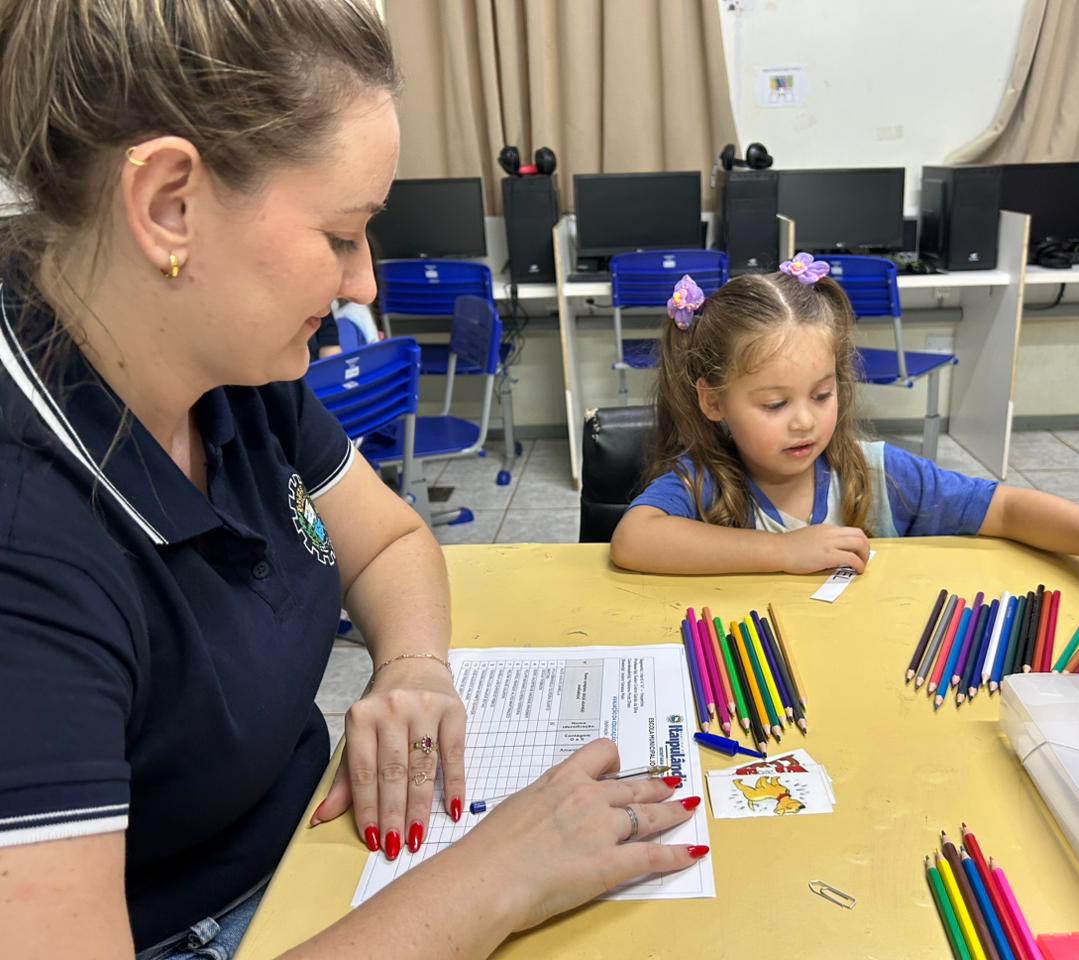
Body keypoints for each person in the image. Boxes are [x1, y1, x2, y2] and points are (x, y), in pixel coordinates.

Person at [0, 3, 703, 958]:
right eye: (340, 235)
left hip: (307, 861)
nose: (365, 284)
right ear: (169, 206)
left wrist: (411, 667)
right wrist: (496, 878)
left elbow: (391, 541)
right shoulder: (27, 536)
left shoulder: (226, 365)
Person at [610, 256, 1079, 642]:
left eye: (822, 394)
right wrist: (784, 550)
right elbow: (634, 540)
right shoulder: (705, 480)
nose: (805, 421)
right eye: (773, 404)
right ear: (714, 402)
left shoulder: (877, 474)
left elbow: (1006, 509)